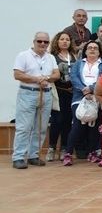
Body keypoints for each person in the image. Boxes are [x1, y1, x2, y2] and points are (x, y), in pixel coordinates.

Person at [12, 32, 60, 169]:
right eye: (40, 41)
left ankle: (34, 155)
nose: (43, 44)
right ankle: (19, 157)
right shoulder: (23, 55)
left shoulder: (50, 57)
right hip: (28, 93)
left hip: (46, 94)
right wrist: (37, 79)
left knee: (41, 127)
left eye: (46, 42)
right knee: (24, 127)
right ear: (34, 41)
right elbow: (17, 74)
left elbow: (56, 74)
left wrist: (47, 79)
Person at [62, 41, 102, 166]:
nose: (92, 50)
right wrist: (84, 89)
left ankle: (92, 152)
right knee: (78, 124)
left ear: (99, 52)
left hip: (97, 97)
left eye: (95, 48)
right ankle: (68, 153)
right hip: (79, 97)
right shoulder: (78, 63)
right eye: (90, 48)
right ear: (85, 51)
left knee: (94, 126)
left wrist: (92, 88)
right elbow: (73, 77)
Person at [46, 32, 77, 161]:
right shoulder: (52, 57)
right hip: (58, 92)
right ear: (57, 42)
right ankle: (51, 148)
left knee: (67, 121)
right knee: (57, 120)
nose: (65, 41)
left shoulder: (74, 56)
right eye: (62, 39)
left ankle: (64, 148)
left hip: (71, 93)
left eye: (67, 39)